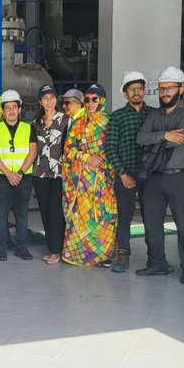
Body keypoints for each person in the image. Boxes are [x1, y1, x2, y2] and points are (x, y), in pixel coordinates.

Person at [136, 66, 184, 283]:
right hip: (153, 176)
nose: (164, 93)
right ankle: (157, 263)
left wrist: (155, 139)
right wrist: (164, 135)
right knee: (152, 223)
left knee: (183, 223)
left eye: (169, 88)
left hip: (178, 177)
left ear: (181, 89)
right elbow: (140, 138)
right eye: (162, 89)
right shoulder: (154, 114)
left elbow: (179, 138)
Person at [61, 85, 117, 267]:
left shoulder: (110, 121)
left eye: (95, 99)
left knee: (103, 217)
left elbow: (117, 148)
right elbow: (68, 149)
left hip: (104, 180)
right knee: (82, 217)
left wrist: (103, 165)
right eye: (87, 99)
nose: (91, 103)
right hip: (82, 182)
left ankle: (103, 255)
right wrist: (86, 157)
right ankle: (79, 254)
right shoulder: (79, 122)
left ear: (102, 100)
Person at [106, 70, 152, 273]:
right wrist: (123, 174)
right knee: (124, 216)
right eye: (132, 89)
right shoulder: (118, 116)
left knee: (151, 215)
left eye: (139, 89)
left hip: (150, 174)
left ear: (144, 91)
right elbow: (110, 148)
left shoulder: (153, 114)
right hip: (126, 174)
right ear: (125, 94)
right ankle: (122, 255)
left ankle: (156, 257)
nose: (136, 93)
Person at [0, 89, 37, 261]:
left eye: (14, 107)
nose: (11, 111)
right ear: (2, 110)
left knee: (21, 214)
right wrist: (8, 174)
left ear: (20, 109)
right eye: (7, 108)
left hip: (23, 178)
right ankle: (1, 248)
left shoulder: (28, 128)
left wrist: (20, 173)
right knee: (1, 214)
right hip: (1, 178)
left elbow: (32, 152)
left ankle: (21, 247)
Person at [32, 85, 70, 265]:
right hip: (40, 173)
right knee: (45, 212)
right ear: (40, 102)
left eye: (52, 97)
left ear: (57, 100)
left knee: (56, 212)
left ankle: (57, 251)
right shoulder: (36, 123)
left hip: (58, 174)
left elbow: (70, 148)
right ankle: (52, 247)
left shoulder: (65, 121)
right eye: (45, 98)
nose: (49, 101)